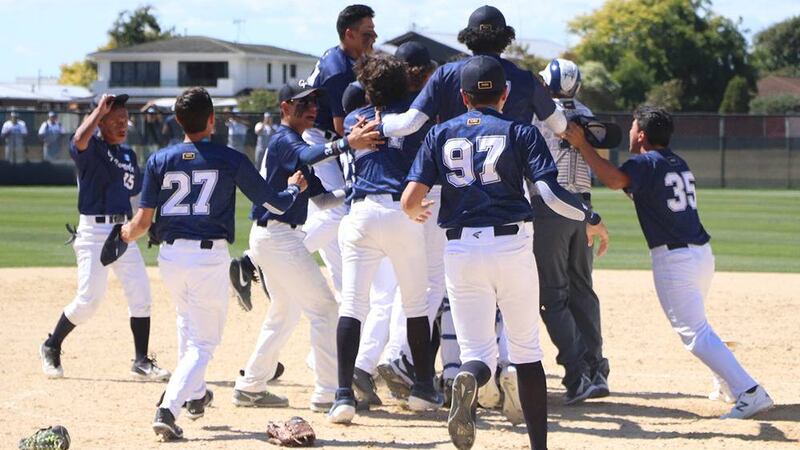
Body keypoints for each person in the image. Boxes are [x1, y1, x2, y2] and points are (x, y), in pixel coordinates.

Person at [402, 55, 608, 450]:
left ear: (463, 97)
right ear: (506, 93)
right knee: (527, 352)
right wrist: (589, 216)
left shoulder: (440, 133)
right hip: (511, 245)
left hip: (460, 248)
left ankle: (470, 378)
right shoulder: (520, 132)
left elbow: (410, 200)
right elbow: (547, 193)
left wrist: (416, 212)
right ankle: (538, 447)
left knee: (476, 353)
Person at [378, 6, 568, 419]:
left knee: (450, 291)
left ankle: (455, 372)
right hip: (509, 192)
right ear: (505, 38)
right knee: (507, 293)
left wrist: (376, 124)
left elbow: (410, 123)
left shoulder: (448, 74)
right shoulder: (519, 77)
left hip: (453, 189)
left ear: (468, 37)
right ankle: (508, 371)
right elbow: (558, 123)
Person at [563, 105, 774, 420]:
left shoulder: (645, 163)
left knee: (694, 332)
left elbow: (613, 180)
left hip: (676, 260)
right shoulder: (676, 161)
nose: (631, 133)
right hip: (700, 255)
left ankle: (749, 391)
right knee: (700, 325)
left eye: (634, 128)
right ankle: (727, 385)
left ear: (643, 135)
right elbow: (635, 190)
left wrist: (583, 146)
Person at [120, 87, 306, 441]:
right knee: (204, 343)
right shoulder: (230, 158)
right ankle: (168, 408)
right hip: (208, 256)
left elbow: (142, 223)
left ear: (177, 122)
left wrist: (125, 234)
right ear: (212, 120)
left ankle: (194, 394)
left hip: (171, 257)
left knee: (186, 321)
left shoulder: (160, 160)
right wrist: (295, 188)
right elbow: (276, 203)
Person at [233, 82, 381, 412]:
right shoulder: (286, 141)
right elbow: (309, 154)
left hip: (276, 238)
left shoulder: (296, 145)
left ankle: (250, 385)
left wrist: (355, 191)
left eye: (314, 102)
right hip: (278, 238)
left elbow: (322, 199)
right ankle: (328, 392)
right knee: (327, 310)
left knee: (283, 314)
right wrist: (346, 143)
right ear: (285, 108)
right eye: (302, 103)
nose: (312, 108)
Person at [329, 54, 440, 424]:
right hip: (401, 213)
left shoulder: (353, 120)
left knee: (353, 306)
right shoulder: (415, 121)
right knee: (415, 305)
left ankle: (343, 395)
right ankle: (423, 387)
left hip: (360, 213)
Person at [38, 94, 169, 383]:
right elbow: (78, 139)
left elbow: (134, 198)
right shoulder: (91, 148)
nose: (123, 125)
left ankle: (141, 361)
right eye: (116, 120)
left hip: (122, 231)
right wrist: (99, 110)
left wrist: (146, 225)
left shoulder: (128, 156)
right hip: (94, 232)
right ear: (101, 123)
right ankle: (51, 344)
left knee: (141, 296)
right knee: (88, 301)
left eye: (125, 120)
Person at [531, 58, 610, 404]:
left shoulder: (535, 113)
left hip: (547, 208)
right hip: (582, 210)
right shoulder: (586, 111)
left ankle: (578, 373)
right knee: (583, 289)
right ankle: (596, 368)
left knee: (553, 296)